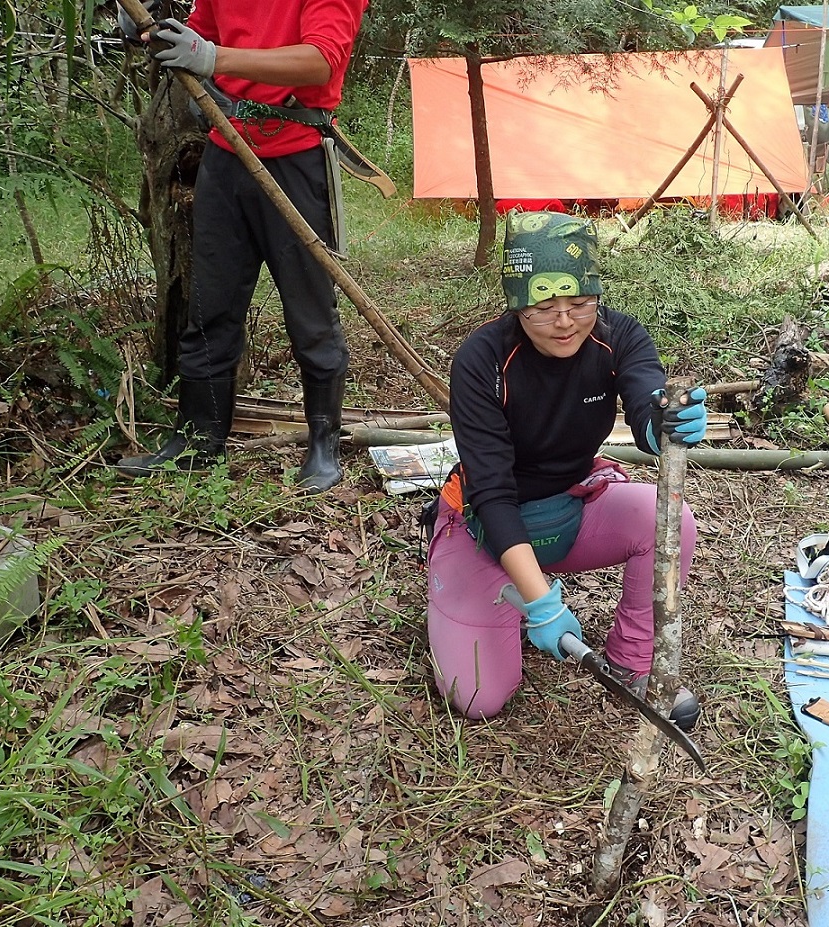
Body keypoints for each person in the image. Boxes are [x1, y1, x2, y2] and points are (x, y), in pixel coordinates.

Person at [426, 211, 708, 730]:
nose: (565, 322)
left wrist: (665, 425)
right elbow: (492, 491)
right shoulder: (482, 360)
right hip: (486, 525)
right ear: (517, 304)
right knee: (477, 696)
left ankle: (633, 663)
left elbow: (645, 401)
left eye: (579, 304)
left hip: (569, 506)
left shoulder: (619, 337)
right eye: (544, 308)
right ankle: (485, 586)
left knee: (671, 521)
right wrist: (541, 603)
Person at [116, 0, 367, 493]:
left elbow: (321, 60)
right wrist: (156, 32)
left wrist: (213, 58)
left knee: (311, 312)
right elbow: (200, 34)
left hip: (297, 156)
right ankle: (198, 441)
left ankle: (323, 444)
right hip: (226, 150)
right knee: (210, 308)